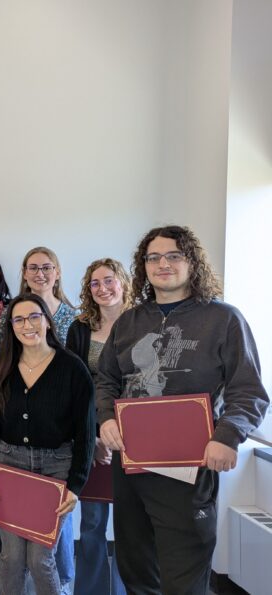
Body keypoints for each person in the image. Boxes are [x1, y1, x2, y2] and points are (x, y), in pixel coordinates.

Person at [97, 225, 269, 594]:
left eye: (174, 255)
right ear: (143, 267)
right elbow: (106, 380)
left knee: (184, 578)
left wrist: (228, 436)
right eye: (153, 257)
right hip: (132, 465)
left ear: (192, 262)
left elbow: (249, 391)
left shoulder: (224, 319)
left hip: (189, 468)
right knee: (136, 570)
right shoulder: (129, 321)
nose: (163, 264)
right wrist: (106, 418)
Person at [0, 293, 95, 595]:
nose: (26, 325)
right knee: (10, 557)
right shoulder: (0, 367)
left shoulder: (72, 368)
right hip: (10, 466)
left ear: (47, 321)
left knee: (40, 558)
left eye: (34, 316)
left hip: (55, 468)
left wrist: (76, 484)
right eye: (18, 319)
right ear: (11, 326)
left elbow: (85, 432)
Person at [66, 259, 131, 595]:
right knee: (92, 523)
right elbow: (73, 386)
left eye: (109, 280)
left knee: (130, 525)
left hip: (136, 436)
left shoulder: (144, 322)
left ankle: (124, 590)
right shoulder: (79, 328)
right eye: (95, 283)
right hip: (93, 434)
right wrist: (93, 436)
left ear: (123, 281)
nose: (103, 288)